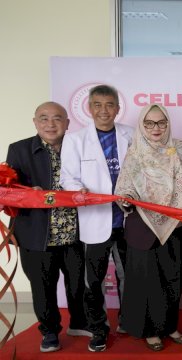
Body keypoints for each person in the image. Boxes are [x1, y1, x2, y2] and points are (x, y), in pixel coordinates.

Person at [6, 102, 90, 352]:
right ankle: (50, 332)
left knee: (77, 283)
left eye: (57, 119)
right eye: (44, 119)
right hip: (36, 234)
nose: (50, 124)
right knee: (42, 287)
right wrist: (25, 194)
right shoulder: (19, 149)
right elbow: (6, 190)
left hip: (74, 232)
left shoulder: (79, 147)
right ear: (35, 122)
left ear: (67, 123)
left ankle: (79, 322)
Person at [60, 84, 134, 352]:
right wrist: (77, 190)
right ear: (90, 108)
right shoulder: (76, 139)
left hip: (127, 219)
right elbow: (68, 177)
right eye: (98, 105)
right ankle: (98, 329)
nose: (104, 110)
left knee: (130, 276)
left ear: (117, 107)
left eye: (110, 105)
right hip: (95, 221)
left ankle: (129, 321)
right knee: (95, 281)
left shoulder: (132, 134)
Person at [114, 104, 182, 351]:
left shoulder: (181, 149)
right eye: (149, 123)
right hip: (143, 225)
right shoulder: (134, 152)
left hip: (175, 225)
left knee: (173, 277)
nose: (155, 128)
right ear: (141, 125)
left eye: (161, 123)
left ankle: (170, 326)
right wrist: (126, 197)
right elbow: (124, 185)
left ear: (168, 123)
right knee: (147, 282)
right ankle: (150, 331)